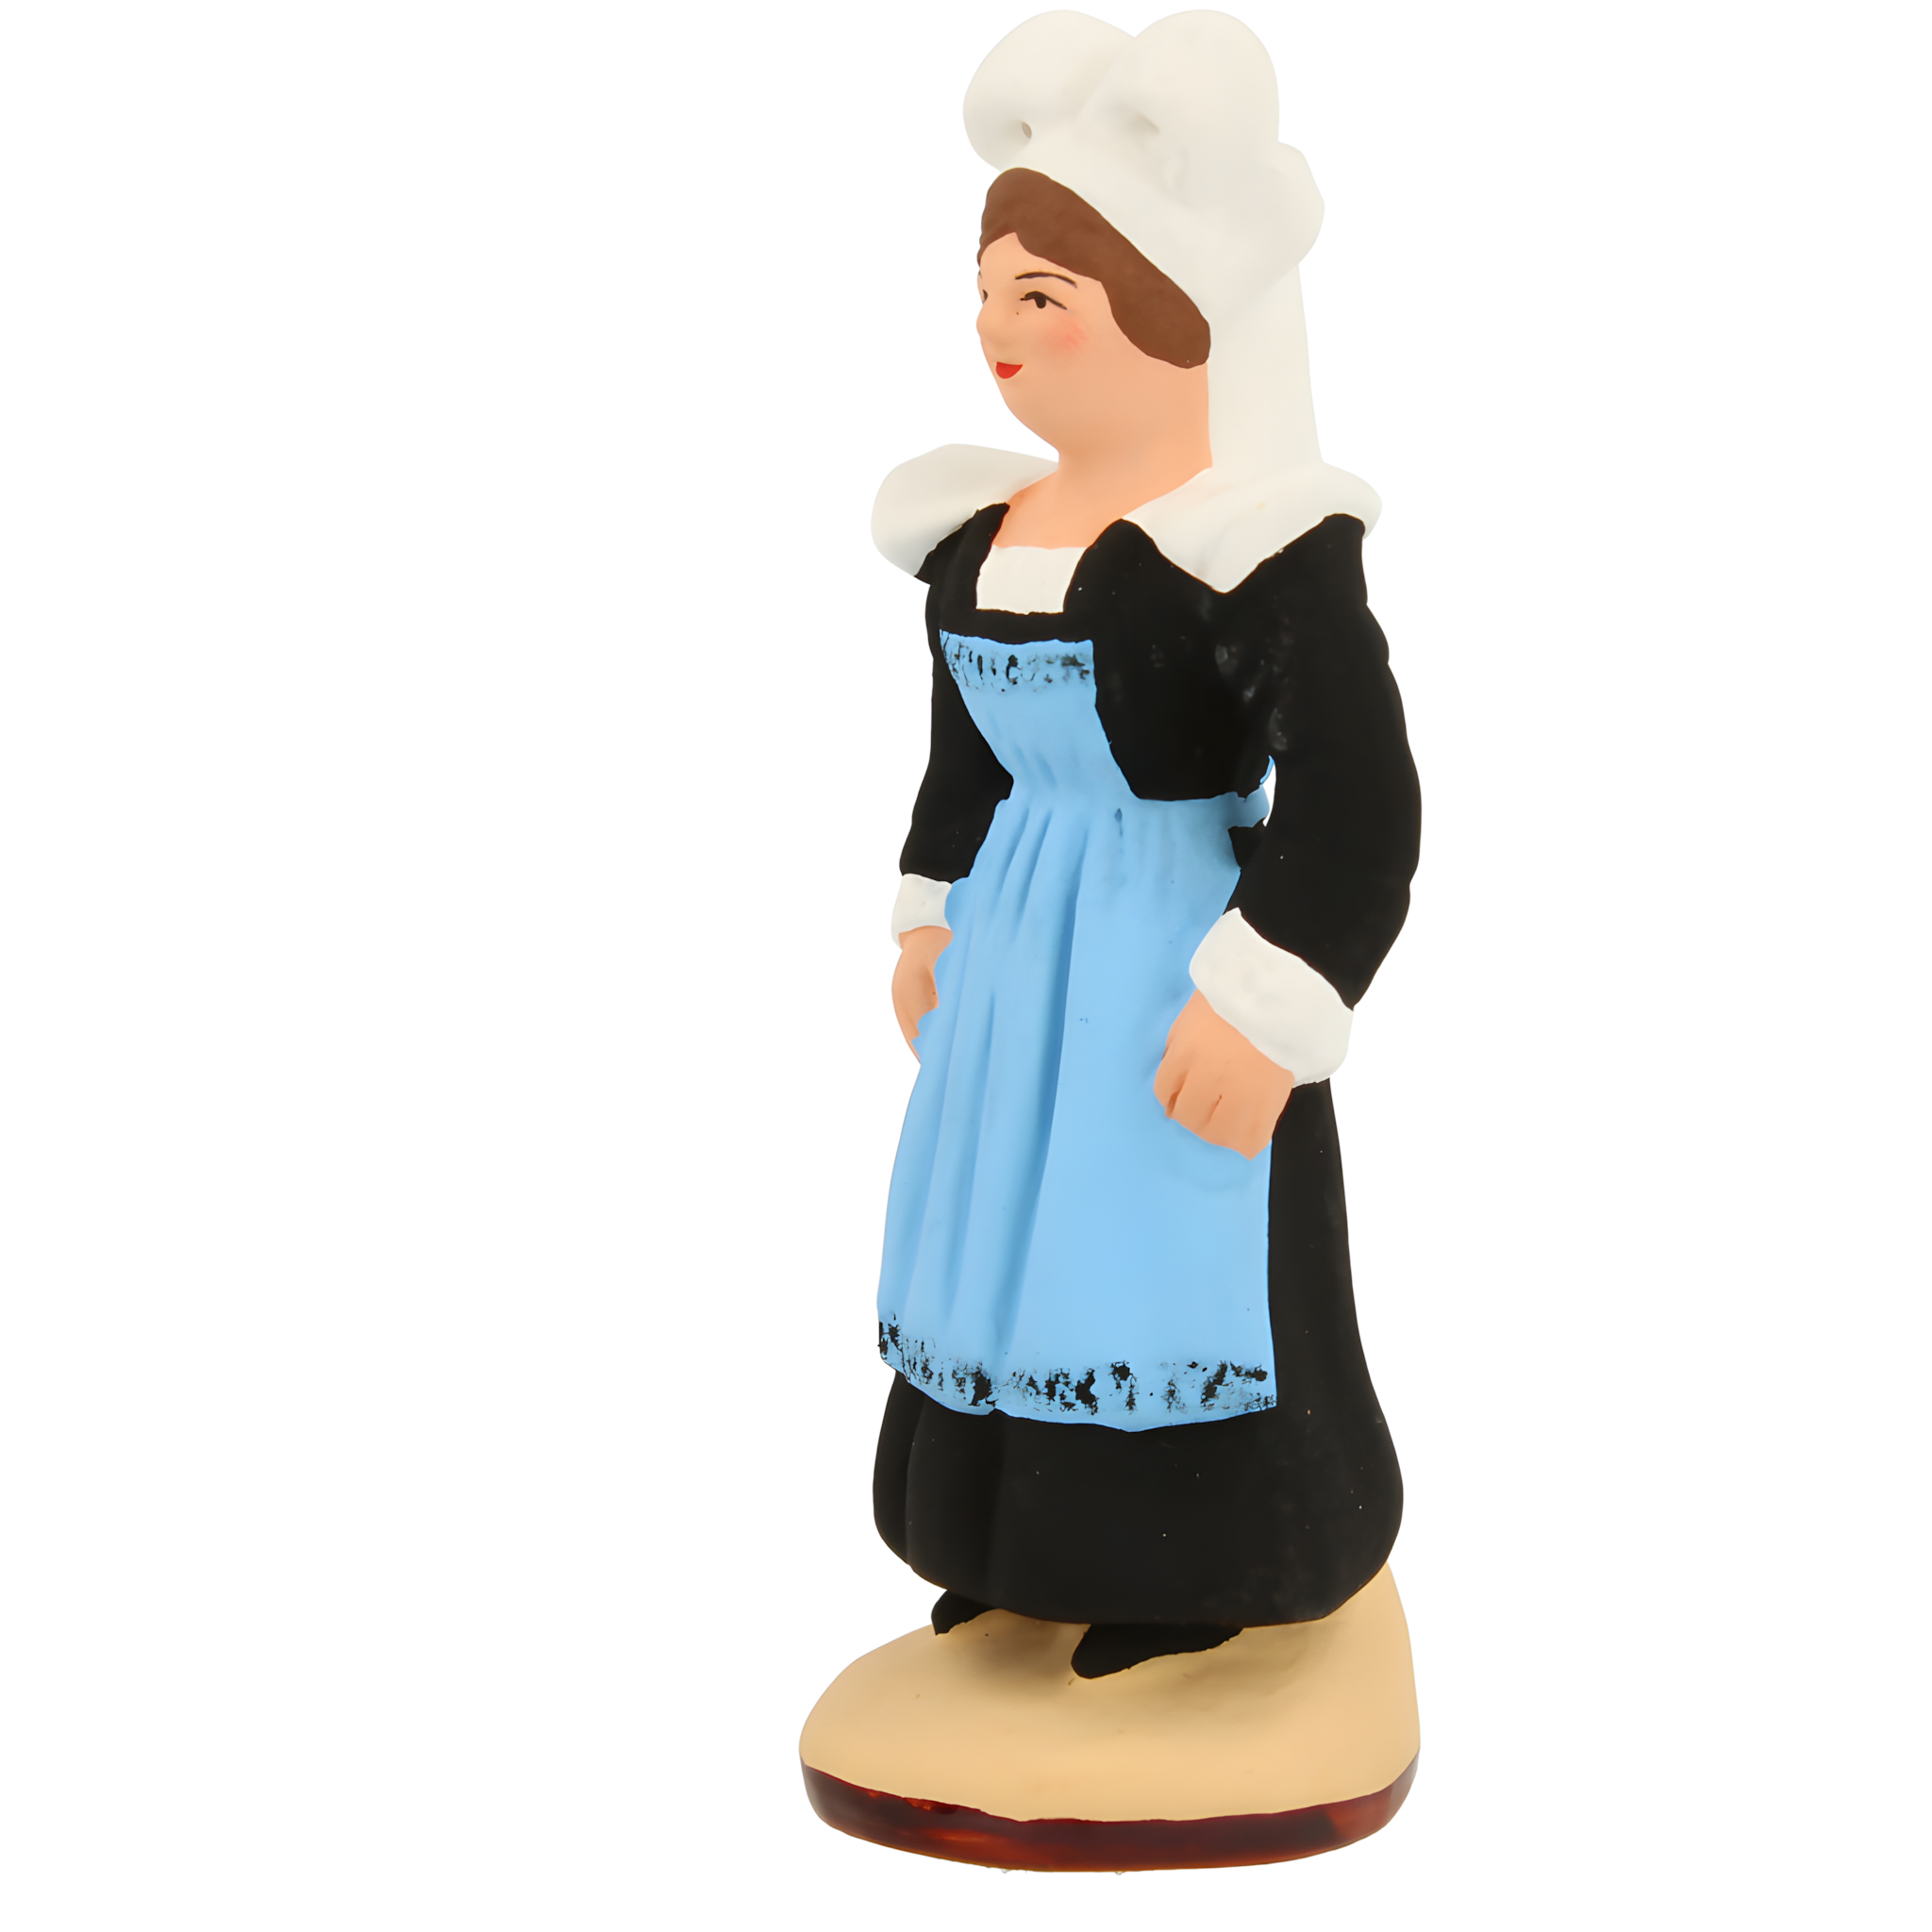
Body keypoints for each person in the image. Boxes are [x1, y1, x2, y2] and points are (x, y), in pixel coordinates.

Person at [867, 12, 1421, 1683]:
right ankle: (1010, 1545)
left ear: (1175, 318)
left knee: (1156, 1247)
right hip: (1015, 975)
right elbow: (966, 758)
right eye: (990, 293)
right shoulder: (980, 538)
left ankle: (1200, 1567)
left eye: (1045, 298)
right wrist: (928, 916)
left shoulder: (1253, 548)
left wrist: (1268, 1006)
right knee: (1007, 1240)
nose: (997, 333)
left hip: (1171, 960)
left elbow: (1362, 800)